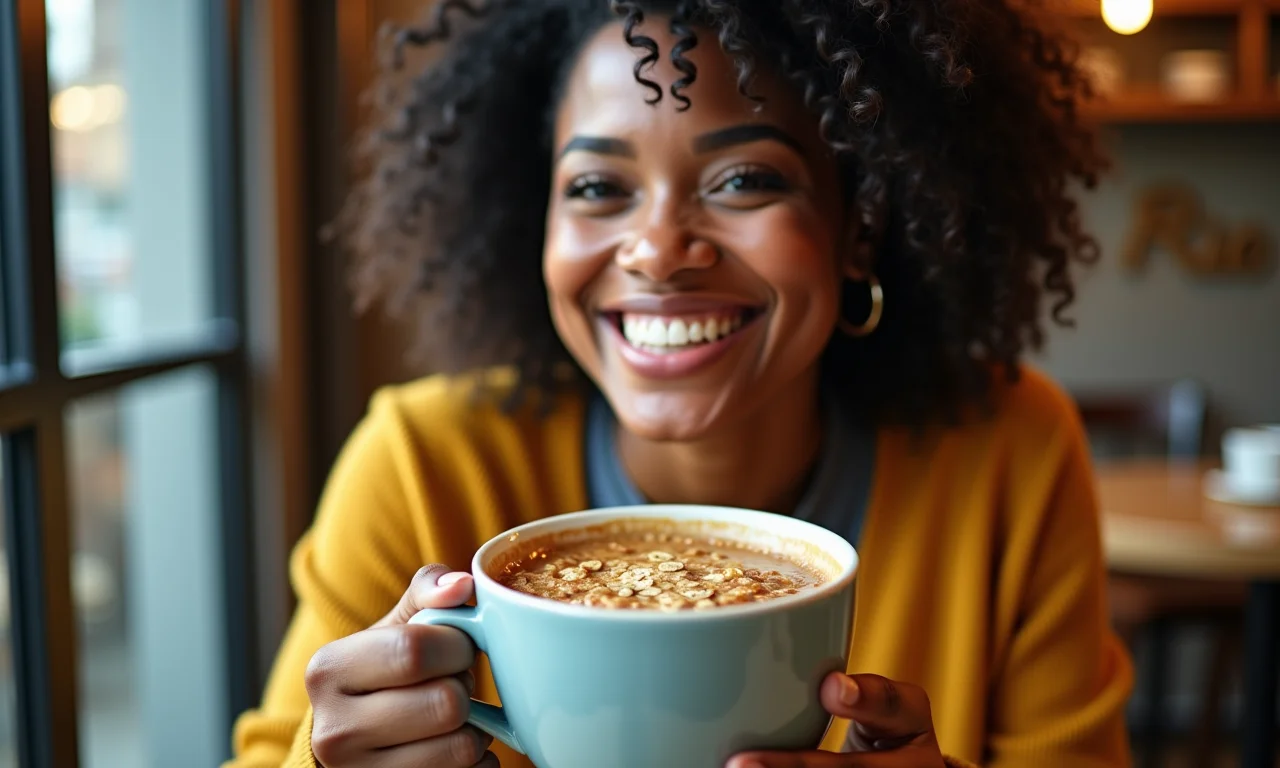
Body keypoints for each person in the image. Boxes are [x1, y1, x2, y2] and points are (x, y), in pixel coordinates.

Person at [227, 1, 1133, 766]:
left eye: (743, 179)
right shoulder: (420, 463)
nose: (659, 250)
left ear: (858, 224)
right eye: (596, 188)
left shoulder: (1010, 450)